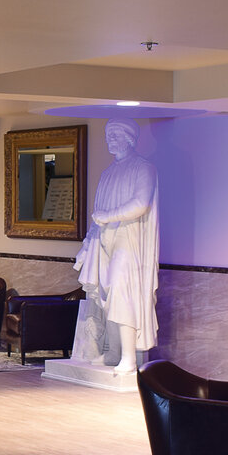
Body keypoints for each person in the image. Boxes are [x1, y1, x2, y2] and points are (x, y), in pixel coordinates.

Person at [73, 118, 158, 376]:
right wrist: (87, 245)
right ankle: (113, 352)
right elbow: (97, 214)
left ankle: (129, 357)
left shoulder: (143, 168)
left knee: (123, 293)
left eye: (116, 134)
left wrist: (109, 216)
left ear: (130, 138)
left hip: (128, 239)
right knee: (106, 296)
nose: (110, 139)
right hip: (104, 239)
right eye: (108, 134)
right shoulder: (108, 173)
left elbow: (141, 203)